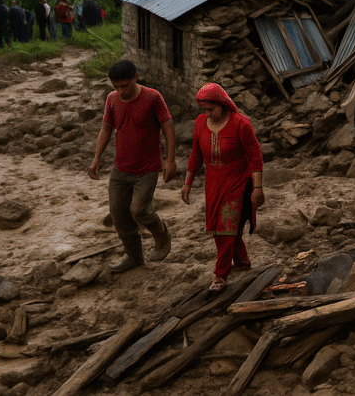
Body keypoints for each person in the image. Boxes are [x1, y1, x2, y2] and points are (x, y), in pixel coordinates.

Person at [89, 59, 176, 272]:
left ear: (135, 78)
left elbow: (168, 127)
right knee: (119, 214)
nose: (121, 91)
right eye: (116, 86)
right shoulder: (112, 100)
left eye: (124, 86)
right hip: (121, 168)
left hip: (147, 168)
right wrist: (97, 157)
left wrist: (171, 160)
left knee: (139, 210)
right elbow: (106, 129)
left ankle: (161, 235)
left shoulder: (153, 98)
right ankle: (134, 256)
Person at [182, 84, 265, 291]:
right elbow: (196, 155)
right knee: (219, 227)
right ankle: (243, 260)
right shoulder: (200, 123)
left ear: (222, 104)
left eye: (211, 109)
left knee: (225, 229)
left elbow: (255, 157)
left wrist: (258, 188)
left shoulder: (241, 125)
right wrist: (187, 183)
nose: (207, 114)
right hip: (213, 184)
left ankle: (220, 275)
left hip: (237, 183)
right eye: (204, 110)